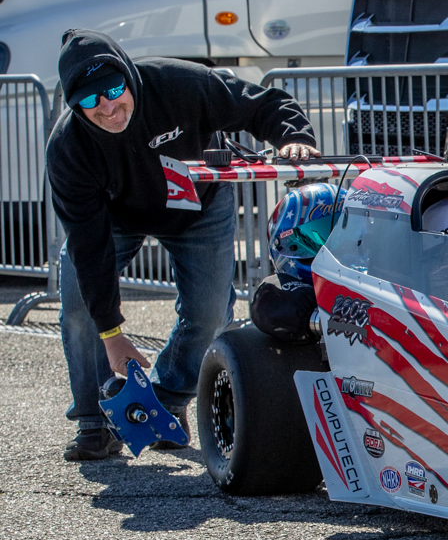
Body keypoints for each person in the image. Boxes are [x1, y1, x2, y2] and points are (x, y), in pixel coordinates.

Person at [48, 29, 319, 461]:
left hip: (199, 206)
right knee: (79, 302)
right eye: (90, 100)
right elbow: (88, 250)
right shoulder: (68, 149)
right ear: (74, 104)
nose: (108, 107)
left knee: (210, 312)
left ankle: (167, 402)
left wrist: (293, 136)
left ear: (129, 78)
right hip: (116, 216)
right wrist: (112, 335)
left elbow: (262, 102)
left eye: (114, 91)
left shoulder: (179, 83)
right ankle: (96, 421)